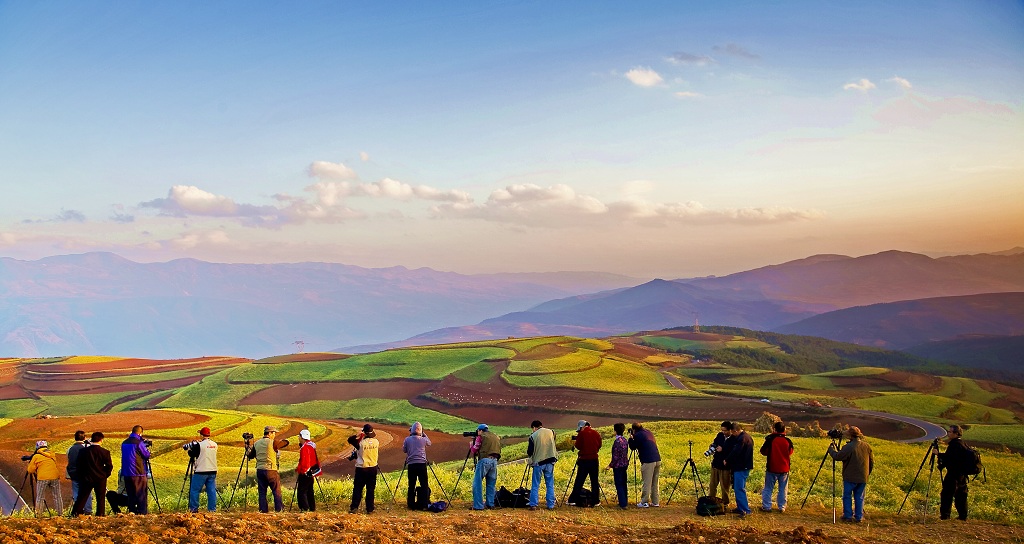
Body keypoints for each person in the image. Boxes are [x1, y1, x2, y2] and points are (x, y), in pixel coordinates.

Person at [828, 426, 874, 523]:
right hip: (863, 476)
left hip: (850, 476)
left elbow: (837, 456)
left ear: (850, 435)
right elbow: (871, 462)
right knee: (859, 496)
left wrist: (831, 450)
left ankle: (848, 515)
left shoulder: (849, 447)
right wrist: (867, 474)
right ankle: (859, 517)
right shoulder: (866, 446)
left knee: (847, 496)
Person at [248, 426, 289, 513]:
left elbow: (250, 456)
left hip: (260, 470)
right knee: (276, 491)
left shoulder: (256, 443)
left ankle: (263, 511)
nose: (274, 435)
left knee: (262, 492)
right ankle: (279, 510)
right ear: (269, 433)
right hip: (271, 470)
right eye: (274, 433)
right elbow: (286, 443)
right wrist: (282, 440)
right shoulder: (273, 442)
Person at [73, 432, 113, 516]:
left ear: (91, 439)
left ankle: (76, 512)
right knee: (100, 497)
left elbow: (79, 465)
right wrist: (105, 474)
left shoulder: (83, 451)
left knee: (82, 496)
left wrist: (82, 475)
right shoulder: (105, 452)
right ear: (101, 440)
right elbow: (109, 466)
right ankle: (100, 514)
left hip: (86, 477)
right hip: (100, 478)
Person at [937, 424, 971, 521]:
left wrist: (938, 454)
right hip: (962, 474)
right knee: (961, 495)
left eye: (950, 432)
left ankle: (945, 516)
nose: (948, 433)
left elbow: (950, 459)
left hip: (953, 474)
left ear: (956, 433)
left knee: (947, 494)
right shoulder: (963, 443)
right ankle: (963, 516)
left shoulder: (954, 444)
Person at [760, 421, 794, 513]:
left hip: (772, 467)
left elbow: (763, 451)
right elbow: (790, 452)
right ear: (784, 429)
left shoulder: (770, 439)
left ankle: (767, 506)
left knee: (768, 488)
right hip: (784, 469)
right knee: (783, 489)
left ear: (774, 429)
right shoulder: (787, 441)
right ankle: (782, 507)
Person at [627, 422, 661, 508]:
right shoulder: (648, 432)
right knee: (655, 482)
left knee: (647, 482)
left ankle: (644, 502)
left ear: (634, 430)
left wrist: (631, 438)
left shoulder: (638, 435)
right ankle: (655, 502)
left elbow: (633, 447)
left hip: (648, 460)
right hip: (657, 459)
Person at [724, 422, 754, 517]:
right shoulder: (746, 437)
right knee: (738, 488)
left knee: (739, 488)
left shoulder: (742, 439)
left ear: (735, 431)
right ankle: (740, 508)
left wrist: (727, 460)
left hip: (741, 467)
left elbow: (735, 452)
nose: (732, 435)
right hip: (743, 466)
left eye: (733, 433)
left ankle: (745, 510)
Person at [526, 420, 558, 510]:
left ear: (534, 427)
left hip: (538, 463)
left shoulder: (533, 436)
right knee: (550, 484)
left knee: (535, 484)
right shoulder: (551, 432)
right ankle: (551, 505)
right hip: (551, 461)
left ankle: (533, 504)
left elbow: (530, 452)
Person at [349, 423, 380, 514]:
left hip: (361, 468)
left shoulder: (360, 444)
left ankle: (354, 507)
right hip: (373, 468)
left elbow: (350, 440)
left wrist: (358, 435)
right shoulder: (376, 442)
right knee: (370, 489)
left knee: (358, 488)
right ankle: (370, 509)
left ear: (365, 433)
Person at [569, 420, 601, 507]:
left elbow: (578, 446)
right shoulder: (596, 433)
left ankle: (573, 499)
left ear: (581, 427)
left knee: (579, 480)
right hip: (594, 459)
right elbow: (599, 445)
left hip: (584, 459)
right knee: (594, 481)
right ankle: (596, 500)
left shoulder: (582, 433)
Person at [469, 423, 501, 510]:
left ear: (480, 430)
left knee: (477, 483)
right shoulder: (495, 436)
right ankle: (490, 504)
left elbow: (475, 450)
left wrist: (472, 444)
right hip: (494, 461)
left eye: (478, 431)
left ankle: (478, 505)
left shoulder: (481, 436)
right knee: (491, 484)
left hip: (484, 460)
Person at [120, 425, 151, 514]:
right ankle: (142, 513)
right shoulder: (138, 442)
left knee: (131, 495)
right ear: (140, 433)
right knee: (141, 495)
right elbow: (146, 455)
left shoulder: (124, 442)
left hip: (126, 473)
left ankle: (132, 513)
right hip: (138, 472)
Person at [27, 440, 62, 516]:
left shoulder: (36, 456)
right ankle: (60, 514)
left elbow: (30, 470)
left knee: (40, 497)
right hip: (55, 476)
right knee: (57, 496)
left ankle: (39, 515)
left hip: (43, 478)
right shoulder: (52, 454)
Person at [186, 427, 218, 512]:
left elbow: (192, 454)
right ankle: (212, 509)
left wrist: (189, 449)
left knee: (194, 490)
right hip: (213, 470)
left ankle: (193, 509)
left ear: (201, 435)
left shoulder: (199, 445)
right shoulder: (215, 444)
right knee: (211, 491)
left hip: (201, 471)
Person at [402, 422, 431, 510]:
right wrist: (424, 434)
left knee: (411, 485)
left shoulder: (407, 439)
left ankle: (411, 504)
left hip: (411, 464)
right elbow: (429, 443)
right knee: (424, 484)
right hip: (422, 464)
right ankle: (424, 504)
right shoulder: (423, 439)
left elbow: (404, 450)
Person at [67, 430, 93, 515]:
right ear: (84, 438)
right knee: (87, 492)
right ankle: (88, 510)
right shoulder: (86, 447)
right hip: (84, 474)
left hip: (73, 473)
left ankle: (78, 510)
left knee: (76, 493)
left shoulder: (70, 449)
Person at [296, 428, 321, 512]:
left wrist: (303, 471)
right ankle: (312, 508)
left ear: (302, 437)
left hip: (306, 472)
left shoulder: (305, 448)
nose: (298, 438)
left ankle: (305, 508)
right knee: (310, 491)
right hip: (312, 472)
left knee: (302, 491)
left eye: (299, 436)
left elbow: (306, 462)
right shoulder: (311, 446)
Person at [709, 421, 733, 508]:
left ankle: (725, 504)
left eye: (725, 431)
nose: (724, 432)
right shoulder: (719, 435)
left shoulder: (733, 438)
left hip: (725, 467)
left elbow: (733, 452)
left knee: (725, 486)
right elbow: (715, 443)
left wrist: (723, 449)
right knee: (712, 485)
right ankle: (711, 501)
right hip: (716, 464)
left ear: (730, 430)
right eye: (722, 430)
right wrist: (712, 447)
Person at [605, 422, 630, 509]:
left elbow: (615, 456)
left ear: (615, 431)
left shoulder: (617, 441)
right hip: (624, 464)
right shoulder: (625, 440)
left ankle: (622, 504)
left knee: (619, 484)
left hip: (618, 466)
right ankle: (624, 501)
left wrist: (610, 466)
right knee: (623, 483)